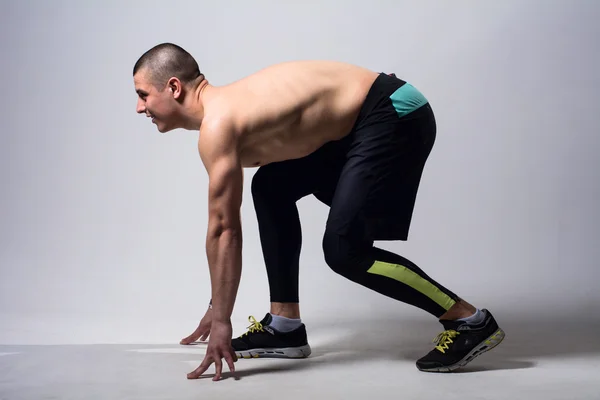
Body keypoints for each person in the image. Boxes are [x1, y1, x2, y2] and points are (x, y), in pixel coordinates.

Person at [132, 43, 505, 381]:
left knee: (344, 250)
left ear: (174, 87)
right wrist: (218, 308)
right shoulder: (228, 113)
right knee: (271, 185)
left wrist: (222, 320)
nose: (139, 107)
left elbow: (224, 229)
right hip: (360, 123)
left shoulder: (219, 125)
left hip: (392, 111)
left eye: (143, 95)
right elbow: (224, 229)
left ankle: (468, 322)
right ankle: (285, 325)